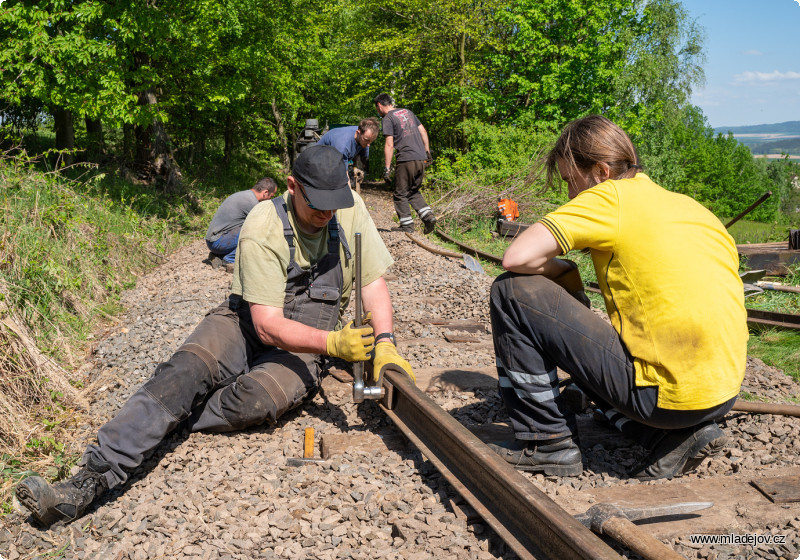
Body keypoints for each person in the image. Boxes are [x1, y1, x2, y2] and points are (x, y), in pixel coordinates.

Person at [16, 145, 415, 525]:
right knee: (184, 371)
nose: (328, 214)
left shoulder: (348, 207)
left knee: (254, 402)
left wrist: (384, 344)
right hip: (249, 319)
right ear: (292, 187)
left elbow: (372, 283)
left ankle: (175, 415)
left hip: (308, 335)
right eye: (317, 206)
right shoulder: (263, 223)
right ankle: (88, 481)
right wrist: (333, 344)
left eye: (335, 204)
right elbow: (266, 325)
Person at [487, 115, 748, 480]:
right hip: (719, 395)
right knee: (603, 372)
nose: (569, 195)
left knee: (512, 289)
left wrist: (557, 271)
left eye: (569, 180)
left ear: (600, 171)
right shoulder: (689, 206)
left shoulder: (608, 196)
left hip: (662, 399)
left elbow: (517, 258)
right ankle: (670, 437)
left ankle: (547, 442)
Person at [374, 93, 436, 234]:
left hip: (406, 159)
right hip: (420, 157)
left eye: (377, 110)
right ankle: (428, 217)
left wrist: (387, 168)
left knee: (400, 193)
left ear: (379, 105)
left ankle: (407, 226)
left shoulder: (388, 118)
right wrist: (427, 153)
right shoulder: (408, 112)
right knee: (412, 190)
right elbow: (423, 131)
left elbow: (389, 145)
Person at [205, 177, 278, 269]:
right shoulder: (251, 202)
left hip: (214, 241)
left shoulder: (245, 195)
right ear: (265, 193)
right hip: (217, 242)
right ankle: (230, 260)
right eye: (271, 196)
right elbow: (265, 226)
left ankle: (218, 256)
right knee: (256, 231)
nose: (269, 199)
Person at [316, 118, 380, 194]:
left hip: (333, 159)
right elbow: (344, 176)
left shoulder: (364, 138)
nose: (368, 144)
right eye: (366, 140)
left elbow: (364, 158)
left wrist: (360, 169)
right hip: (318, 162)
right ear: (357, 132)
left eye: (371, 141)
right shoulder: (343, 146)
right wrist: (351, 197)